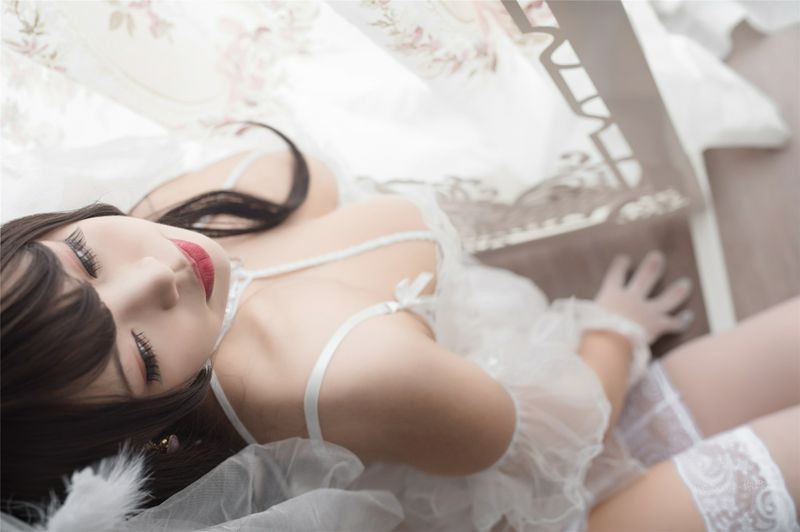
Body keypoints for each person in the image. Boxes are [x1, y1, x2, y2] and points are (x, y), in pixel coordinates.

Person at [1, 121, 798, 532]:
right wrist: (614, 330)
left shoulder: (164, 213)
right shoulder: (349, 373)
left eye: (82, 259)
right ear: (151, 431)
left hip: (505, 410)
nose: (160, 277)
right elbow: (559, 444)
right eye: (141, 353)